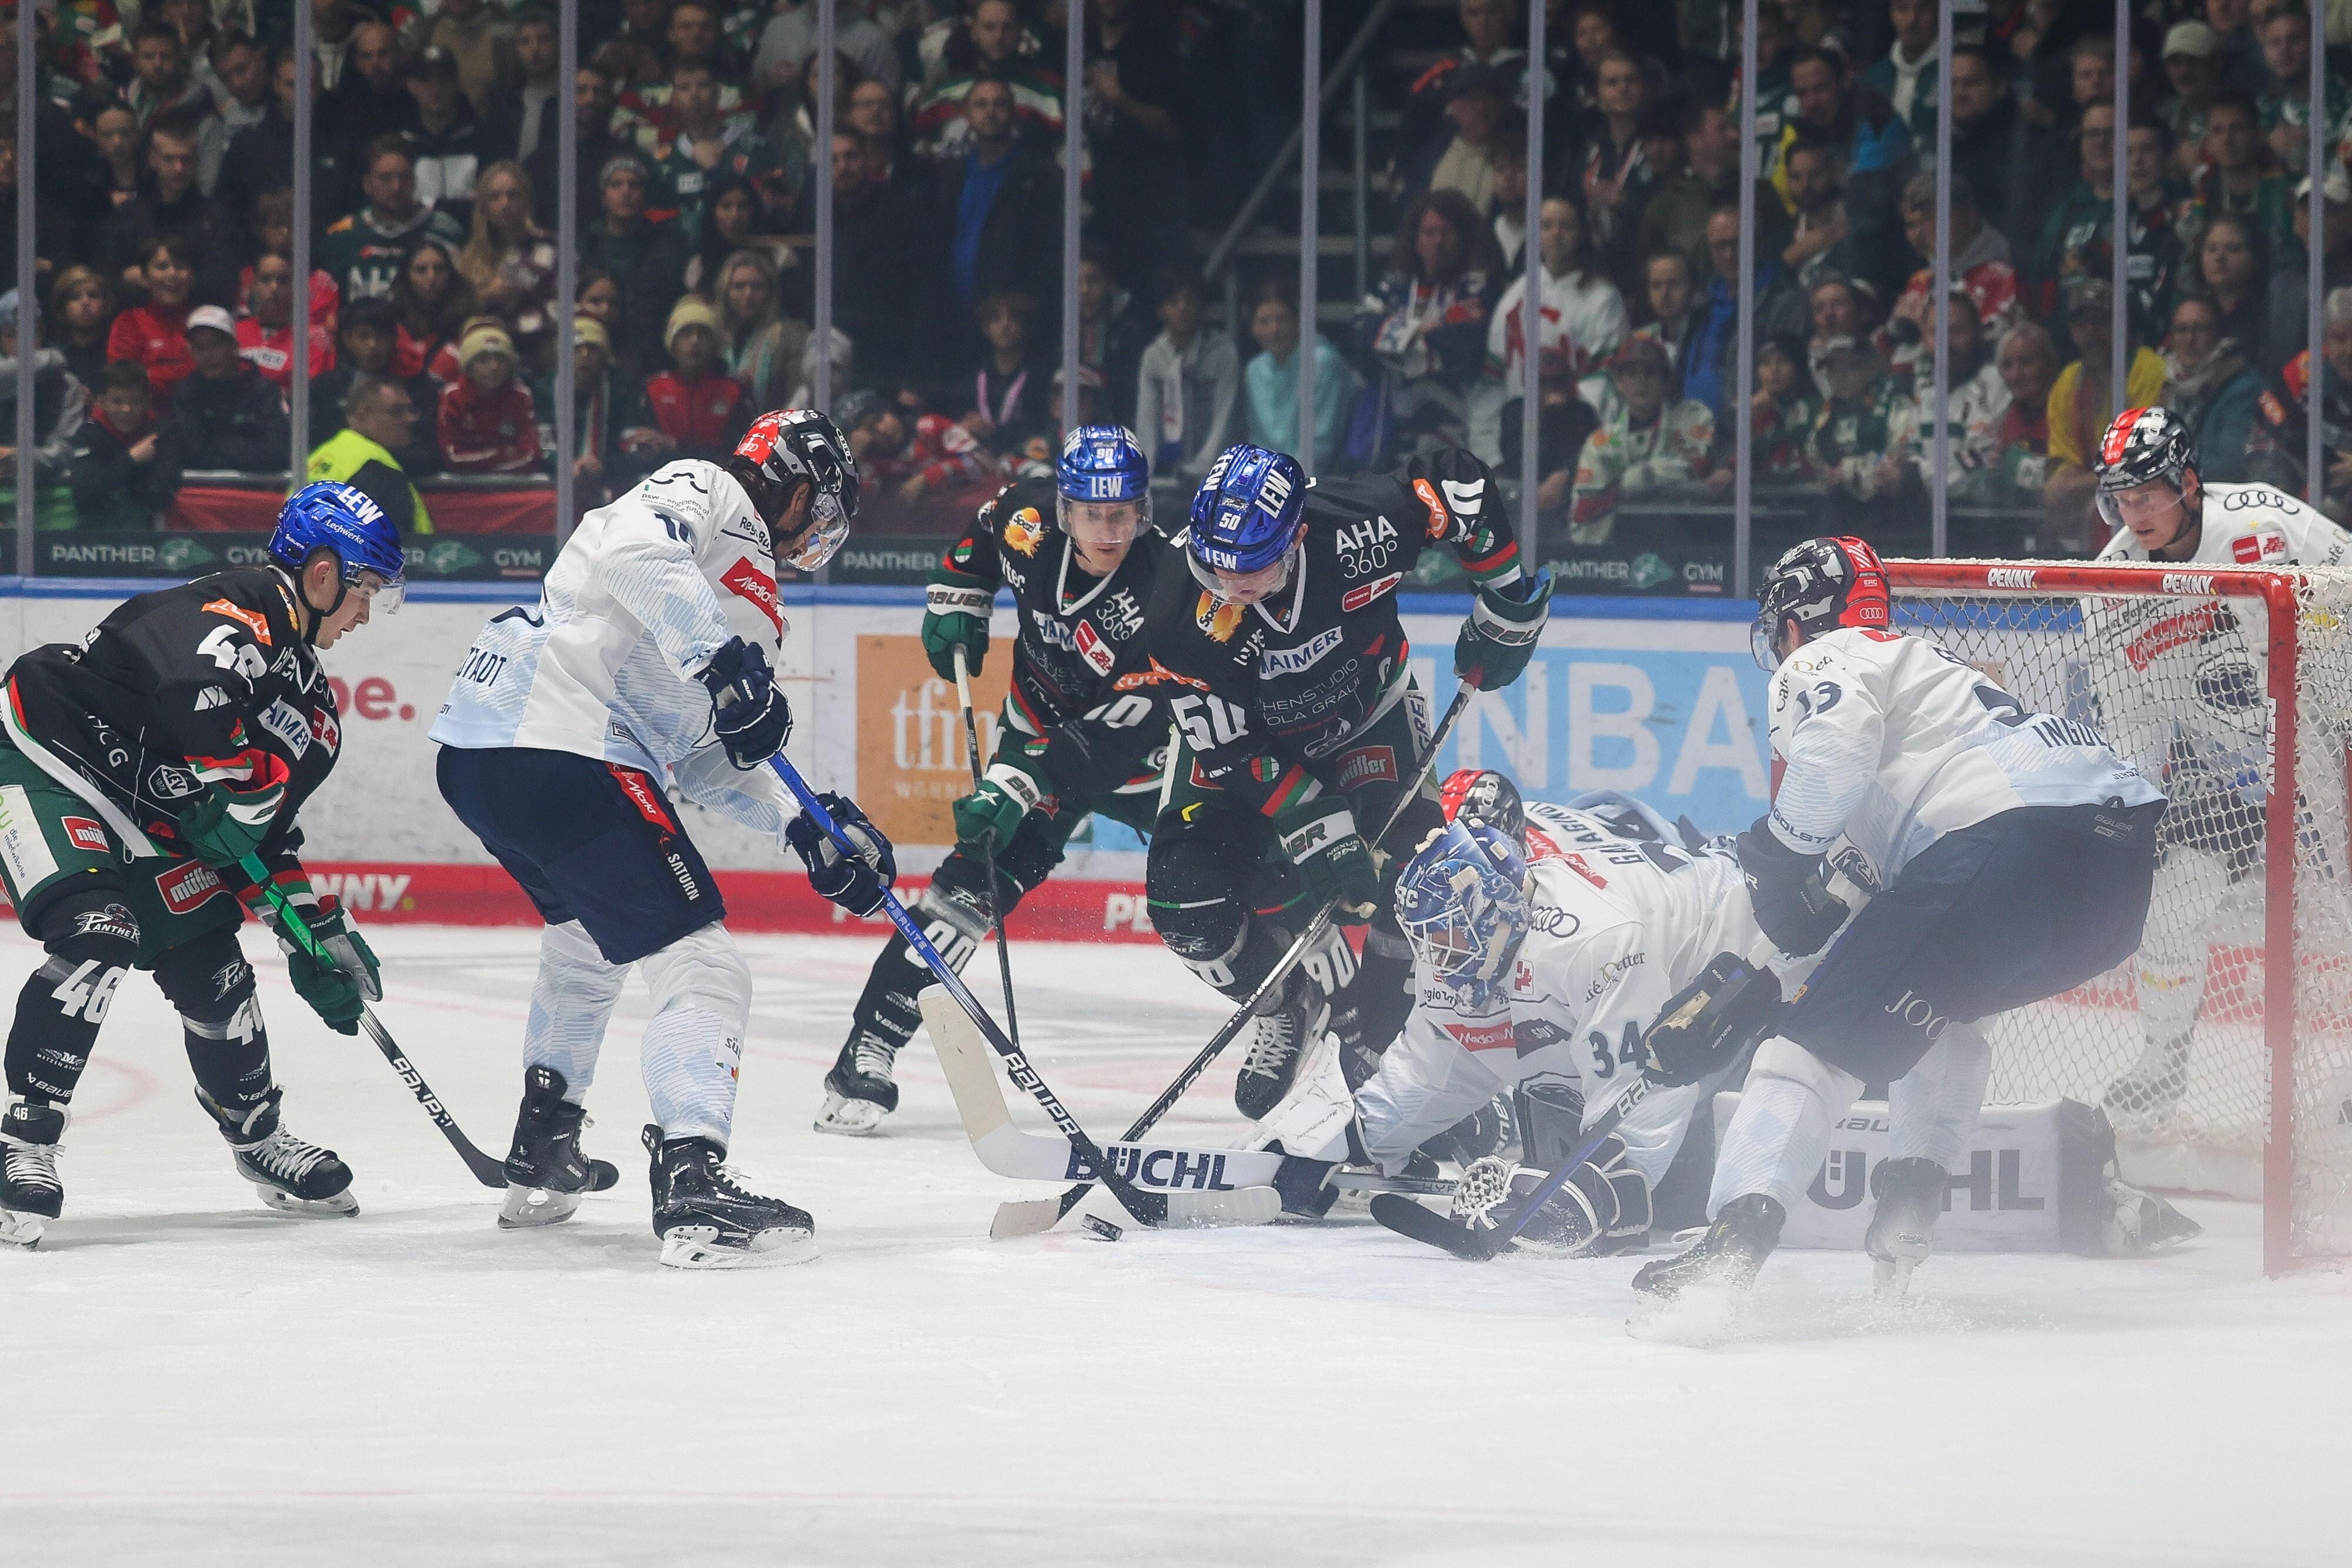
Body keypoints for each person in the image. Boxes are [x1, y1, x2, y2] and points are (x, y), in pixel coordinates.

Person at [1632, 536, 2164, 1301]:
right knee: (1943, 1009)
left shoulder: (1830, 658)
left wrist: (1775, 854)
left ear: (1794, 622)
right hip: (2111, 887)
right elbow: (1844, 908)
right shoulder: (1928, 683)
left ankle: (1729, 1245)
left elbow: (1830, 768)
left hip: (2003, 846)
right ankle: (1909, 1213)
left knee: (1806, 1045)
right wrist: (1752, 978)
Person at [430, 410, 888, 1269]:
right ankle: (693, 1177)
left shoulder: (745, 594)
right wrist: (719, 661)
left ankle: (543, 1144)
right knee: (704, 963)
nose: (820, 535)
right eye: (822, 510)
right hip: (560, 735)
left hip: (487, 749)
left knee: (584, 941)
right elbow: (629, 552)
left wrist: (810, 826)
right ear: (794, 486)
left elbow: (707, 757)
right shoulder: (710, 491)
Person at [0, 483, 405, 1246]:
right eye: (365, 592)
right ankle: (25, 1138)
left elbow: (268, 838)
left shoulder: (313, 713)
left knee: (213, 964)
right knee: (100, 929)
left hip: (151, 814)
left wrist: (310, 929)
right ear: (322, 573)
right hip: (50, 755)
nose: (363, 615)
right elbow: (199, 696)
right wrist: (236, 793)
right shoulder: (233, 609)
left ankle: (257, 1137)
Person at [1141, 441, 1548, 1116]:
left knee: (1416, 889)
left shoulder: (1362, 528)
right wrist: (1312, 820)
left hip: (1366, 718)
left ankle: (1380, 1039)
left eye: (1256, 568)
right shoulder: (1177, 613)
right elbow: (1226, 744)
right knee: (1184, 898)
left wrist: (1504, 591)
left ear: (1297, 535)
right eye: (1216, 567)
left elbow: (1451, 478)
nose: (1232, 588)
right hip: (1242, 744)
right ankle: (1281, 1006)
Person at [820, 426, 1169, 1132]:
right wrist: (959, 595)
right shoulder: (1025, 520)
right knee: (964, 891)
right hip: (1039, 730)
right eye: (1094, 514)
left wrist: (1014, 781)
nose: (1109, 530)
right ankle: (869, 1047)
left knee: (1228, 881)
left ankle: (1325, 1024)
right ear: (1065, 510)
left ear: (1145, 511)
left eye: (1124, 514)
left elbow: (1114, 733)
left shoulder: (1168, 586)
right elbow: (980, 538)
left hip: (1142, 761)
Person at [1251, 794, 1787, 1247]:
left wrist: (1597, 1193)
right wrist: (1339, 1139)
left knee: (1679, 1206)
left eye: (1448, 934)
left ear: (1493, 911)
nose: (1437, 956)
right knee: (1554, 1107)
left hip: (1763, 948)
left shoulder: (1591, 940)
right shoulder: (1473, 944)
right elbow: (1429, 1073)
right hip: (1660, 991)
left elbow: (1644, 1097)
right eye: (1428, 937)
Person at [2084, 407, 2352, 1121]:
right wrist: (2136, 809)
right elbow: (2130, 722)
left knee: (2343, 915)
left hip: (2318, 748)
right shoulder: (2109, 586)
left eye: (2146, 494)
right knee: (2168, 908)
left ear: (2188, 483)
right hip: (2222, 772)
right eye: (2120, 498)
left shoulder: (2267, 523)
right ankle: (2163, 1062)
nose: (2132, 513)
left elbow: (2349, 593)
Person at [1483, 193, 1627, 417]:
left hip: (1578, 431)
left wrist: (1558, 414)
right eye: (1547, 226)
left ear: (1581, 234)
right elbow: (1493, 383)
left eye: (1566, 226)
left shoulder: (1604, 299)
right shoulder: (1514, 299)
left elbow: (1606, 380)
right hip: (1518, 432)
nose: (1556, 233)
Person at [1567, 335, 1714, 544]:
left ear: (1666, 382)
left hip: (1686, 544)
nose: (1641, 382)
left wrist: (1643, 477)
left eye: (1651, 373)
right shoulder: (1601, 442)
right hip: (1618, 552)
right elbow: (1585, 516)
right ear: (1618, 382)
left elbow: (1699, 469)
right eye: (1632, 374)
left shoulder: (1693, 418)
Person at [318, 136, 467, 304]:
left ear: (414, 180)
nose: (396, 187)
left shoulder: (444, 231)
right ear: (367, 184)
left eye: (404, 177)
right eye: (385, 178)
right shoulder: (341, 238)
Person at [620, 296, 753, 473]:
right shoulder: (653, 389)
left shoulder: (733, 392)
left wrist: (675, 446)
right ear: (672, 343)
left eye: (703, 333)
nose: (695, 341)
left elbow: (738, 453)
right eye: (685, 333)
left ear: (715, 343)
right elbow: (631, 443)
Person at [1134, 270, 1240, 484]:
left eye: (1189, 301)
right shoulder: (1154, 356)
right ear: (1161, 310)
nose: (1182, 309)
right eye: (1173, 302)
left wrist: (1204, 468)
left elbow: (1224, 417)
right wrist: (1143, 472)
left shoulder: (1223, 352)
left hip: (1216, 475)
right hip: (1164, 474)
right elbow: (1147, 419)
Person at [1242, 282, 1356, 472]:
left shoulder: (1322, 362)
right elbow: (1258, 440)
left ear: (1299, 321)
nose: (1274, 330)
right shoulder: (1254, 370)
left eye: (1282, 319)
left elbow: (1322, 442)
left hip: (1320, 478)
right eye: (1264, 322)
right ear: (1253, 328)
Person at [0, 291, 88, 529]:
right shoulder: (53, 362)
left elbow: (66, 450)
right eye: (11, 335)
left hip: (47, 499)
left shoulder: (65, 384)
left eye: (31, 333)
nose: (22, 343)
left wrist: (20, 458)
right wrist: (51, 359)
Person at [306, 373, 432, 537]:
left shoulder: (318, 457)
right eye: (397, 411)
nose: (409, 419)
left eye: (410, 410)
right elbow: (392, 545)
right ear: (362, 414)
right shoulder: (377, 466)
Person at [168, 305, 288, 474]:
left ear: (234, 346)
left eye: (215, 345)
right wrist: (243, 448)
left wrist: (218, 445)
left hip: (258, 493)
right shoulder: (187, 392)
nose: (207, 355)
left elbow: (276, 453)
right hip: (204, 494)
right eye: (199, 348)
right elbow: (192, 454)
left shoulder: (263, 391)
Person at [2160, 296, 2266, 484]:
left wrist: (2162, 467)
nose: (2190, 339)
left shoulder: (2242, 387)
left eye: (2199, 329)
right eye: (2181, 330)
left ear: (2219, 334)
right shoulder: (2166, 383)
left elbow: (2229, 461)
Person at [437, 320, 541, 475]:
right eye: (483, 360)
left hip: (512, 486)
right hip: (463, 488)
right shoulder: (453, 396)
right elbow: (452, 458)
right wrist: (502, 454)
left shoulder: (521, 396)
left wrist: (490, 468)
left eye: (501, 359)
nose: (494, 367)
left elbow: (532, 457)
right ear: (469, 368)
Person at [105, 236, 201, 397]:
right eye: (162, 267)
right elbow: (124, 380)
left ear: (192, 276)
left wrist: (152, 374)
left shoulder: (205, 320)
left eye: (180, 266)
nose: (172, 274)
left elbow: (215, 372)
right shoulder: (129, 322)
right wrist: (188, 370)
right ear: (144, 277)